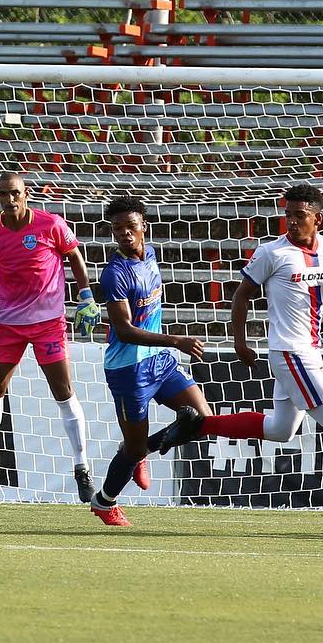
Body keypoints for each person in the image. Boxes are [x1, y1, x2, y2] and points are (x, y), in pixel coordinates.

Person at [149, 182, 323, 536]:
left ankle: (196, 425)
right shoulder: (272, 252)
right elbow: (241, 295)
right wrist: (239, 342)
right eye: (288, 214)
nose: (291, 221)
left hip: (309, 351)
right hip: (290, 351)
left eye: (299, 215)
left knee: (280, 429)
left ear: (317, 219)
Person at [0, 172, 100, 504]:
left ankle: (82, 468)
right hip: (9, 324)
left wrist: (86, 296)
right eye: (3, 195)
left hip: (48, 323)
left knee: (63, 392)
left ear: (26, 194)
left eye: (14, 194)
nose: (9, 200)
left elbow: (75, 257)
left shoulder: (50, 223)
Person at [88, 196, 210, 528]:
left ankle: (142, 449)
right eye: (117, 229)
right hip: (129, 369)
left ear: (144, 226)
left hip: (160, 361)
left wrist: (169, 347)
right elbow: (125, 331)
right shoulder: (114, 274)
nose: (125, 234)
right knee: (133, 449)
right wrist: (177, 340)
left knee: (202, 419)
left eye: (130, 226)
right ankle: (104, 502)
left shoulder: (151, 254)